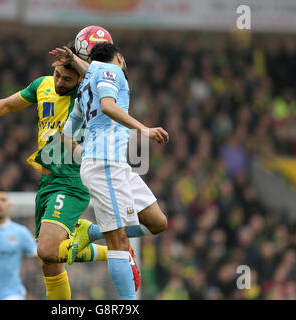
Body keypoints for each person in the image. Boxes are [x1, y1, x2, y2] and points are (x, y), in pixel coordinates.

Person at [0, 54, 118, 300]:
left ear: (79, 77)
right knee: (48, 262)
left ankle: (109, 247)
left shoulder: (88, 93)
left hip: (72, 179)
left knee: (47, 249)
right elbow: (7, 104)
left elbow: (106, 79)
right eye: (57, 75)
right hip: (47, 182)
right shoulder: (41, 85)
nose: (60, 82)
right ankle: (116, 251)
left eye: (68, 78)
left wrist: (83, 63)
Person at [61, 43, 169, 300]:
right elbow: (109, 106)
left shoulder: (86, 85)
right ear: (119, 57)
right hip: (105, 164)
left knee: (157, 222)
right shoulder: (113, 72)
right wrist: (144, 130)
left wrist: (84, 156)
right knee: (119, 242)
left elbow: (65, 136)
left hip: (114, 165)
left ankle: (91, 232)